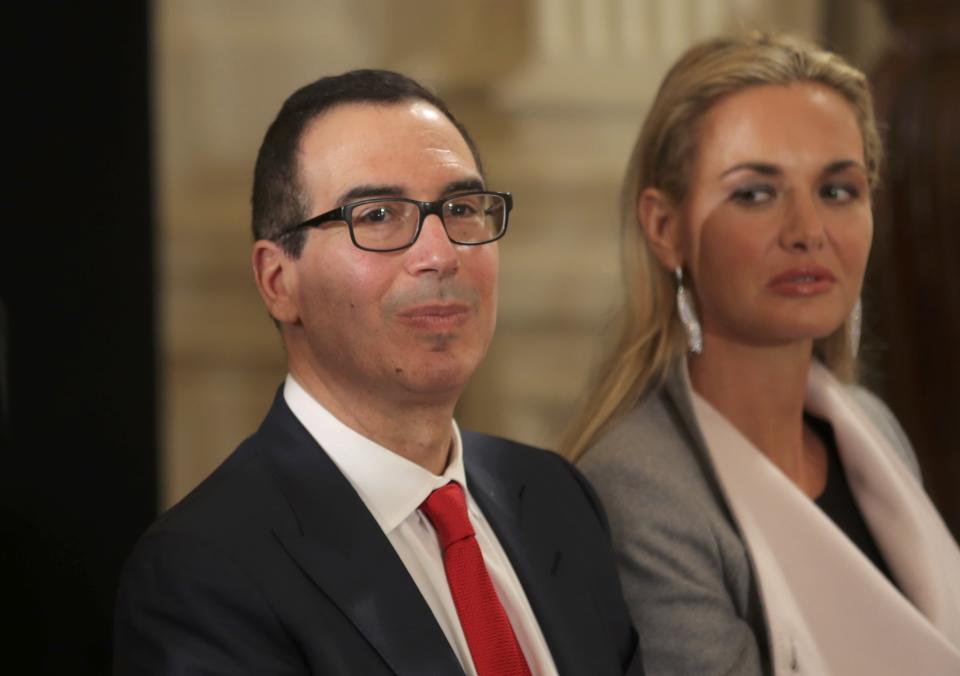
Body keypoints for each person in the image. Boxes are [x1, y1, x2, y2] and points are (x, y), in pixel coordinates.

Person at [113, 69, 643, 676]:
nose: (441, 254)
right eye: (379, 215)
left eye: (462, 207)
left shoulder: (556, 497)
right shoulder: (204, 572)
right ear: (278, 282)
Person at [566, 34, 960, 675]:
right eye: (754, 193)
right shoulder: (637, 495)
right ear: (665, 227)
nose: (808, 232)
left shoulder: (871, 425)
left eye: (837, 191)